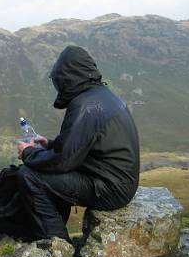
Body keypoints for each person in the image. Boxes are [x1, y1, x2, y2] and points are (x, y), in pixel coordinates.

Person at [16, 45, 140, 242]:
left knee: (30, 175)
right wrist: (48, 144)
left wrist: (28, 153)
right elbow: (81, 144)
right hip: (117, 182)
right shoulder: (101, 96)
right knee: (49, 172)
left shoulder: (85, 106)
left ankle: (55, 245)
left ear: (68, 77)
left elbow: (62, 161)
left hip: (109, 189)